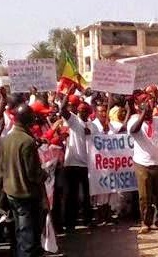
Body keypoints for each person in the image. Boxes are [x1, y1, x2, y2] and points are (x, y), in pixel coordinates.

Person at [0, 103, 46, 257]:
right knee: (28, 236)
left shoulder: (7, 139)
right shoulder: (27, 141)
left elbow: (1, 169)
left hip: (11, 192)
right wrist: (43, 174)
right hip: (26, 194)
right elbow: (32, 174)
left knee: (20, 232)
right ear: (28, 119)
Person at [127, 93, 158, 234]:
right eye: (146, 103)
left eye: (150, 104)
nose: (150, 106)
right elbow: (133, 130)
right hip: (143, 164)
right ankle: (146, 222)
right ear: (140, 107)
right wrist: (143, 114)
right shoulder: (134, 120)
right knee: (145, 196)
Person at [60, 97, 93, 230]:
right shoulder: (74, 121)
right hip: (72, 164)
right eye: (80, 111)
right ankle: (69, 222)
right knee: (70, 195)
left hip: (86, 165)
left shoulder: (91, 125)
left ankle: (87, 219)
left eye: (85, 111)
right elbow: (62, 109)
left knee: (86, 194)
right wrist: (68, 93)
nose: (82, 113)